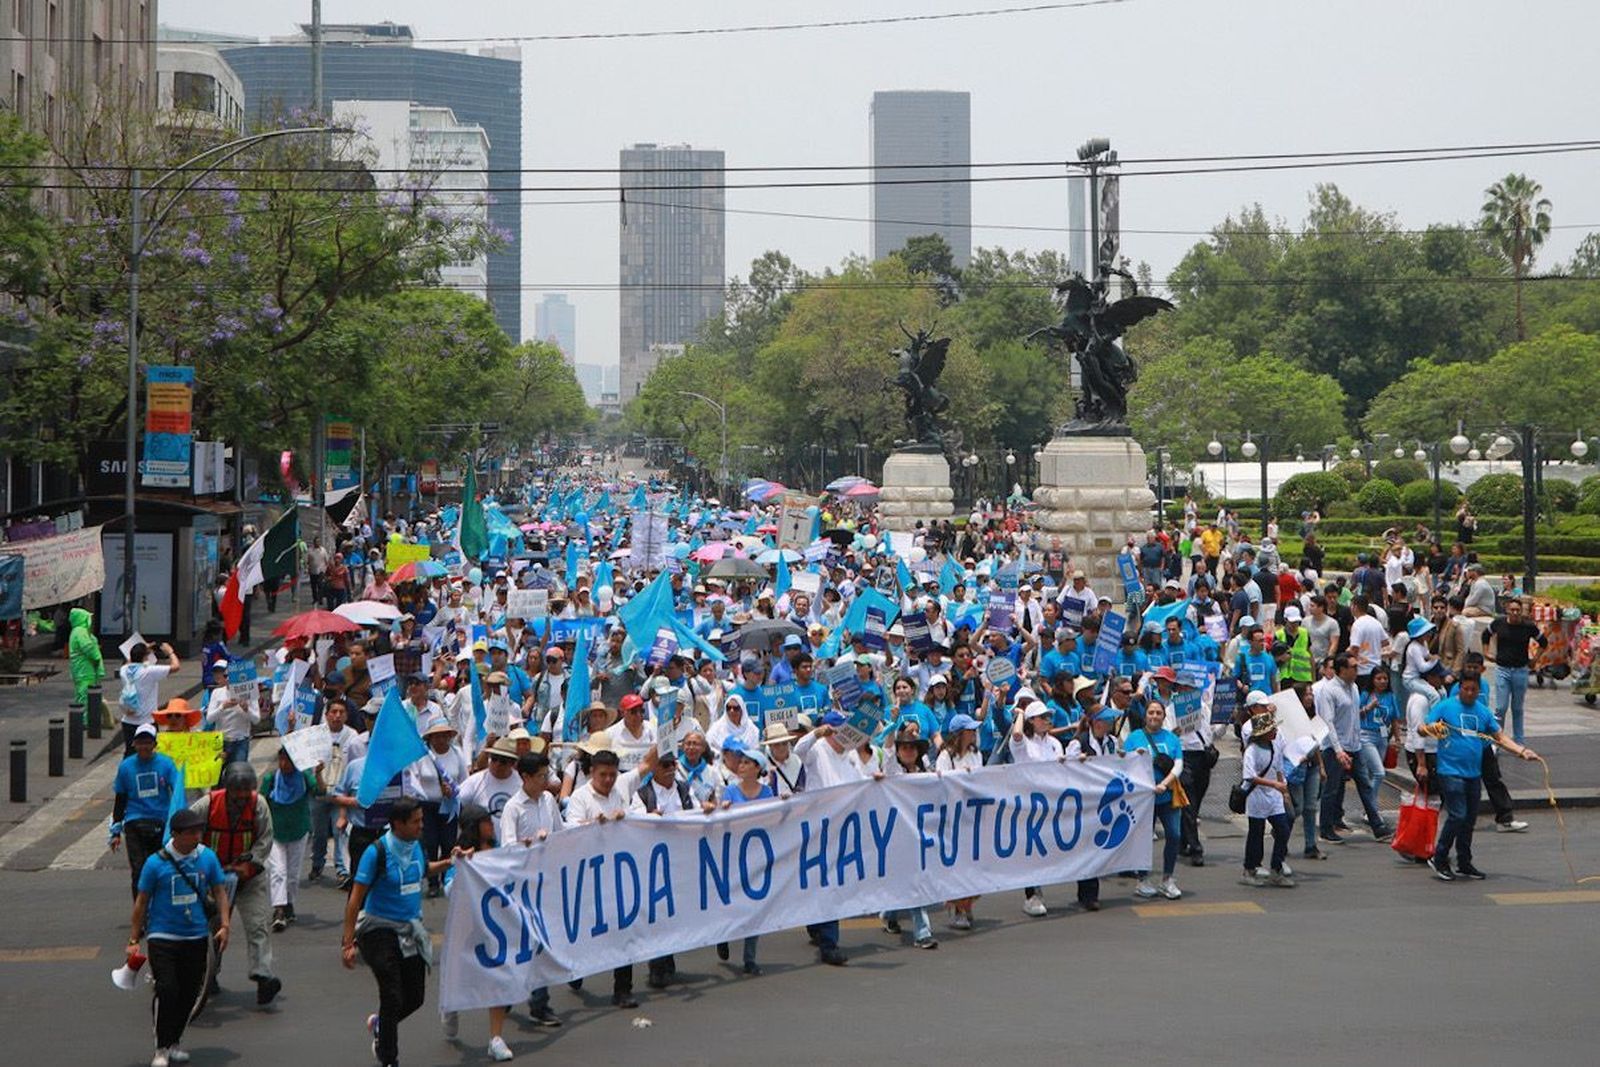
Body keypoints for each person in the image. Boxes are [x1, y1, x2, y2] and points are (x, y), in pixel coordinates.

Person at [341, 796, 455, 1067]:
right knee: (391, 994)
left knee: (414, 997)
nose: (421, 826)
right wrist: (348, 943)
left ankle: (381, 1025)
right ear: (397, 824)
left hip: (410, 930)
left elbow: (424, 870)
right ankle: (388, 1057)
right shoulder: (376, 852)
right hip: (378, 931)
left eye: (421, 820)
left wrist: (451, 862)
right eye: (415, 822)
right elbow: (355, 900)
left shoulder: (416, 846)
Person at [127, 807, 233, 1067]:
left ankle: (174, 1041)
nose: (197, 836)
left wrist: (225, 924)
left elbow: (220, 891)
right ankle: (161, 1047)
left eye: (199, 831)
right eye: (191, 832)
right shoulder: (155, 863)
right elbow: (141, 902)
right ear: (175, 834)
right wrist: (133, 940)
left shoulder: (207, 858)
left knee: (189, 993)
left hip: (195, 936)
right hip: (162, 935)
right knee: (167, 989)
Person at [1420, 673, 1540, 881]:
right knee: (1458, 815)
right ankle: (1439, 857)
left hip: (1473, 773)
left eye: (1473, 690)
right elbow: (1422, 729)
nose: (1469, 693)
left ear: (1479, 691)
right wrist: (1430, 729)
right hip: (1450, 771)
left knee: (1469, 819)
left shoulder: (1483, 712)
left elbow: (1500, 737)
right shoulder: (1445, 707)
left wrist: (1521, 751)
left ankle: (1464, 862)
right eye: (1465, 689)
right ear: (1459, 688)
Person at [189, 762, 280, 1005]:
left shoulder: (259, 805)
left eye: (246, 790)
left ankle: (263, 976)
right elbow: (186, 830)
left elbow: (265, 840)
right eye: (237, 791)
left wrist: (250, 865)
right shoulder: (207, 805)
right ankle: (209, 974)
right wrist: (203, 865)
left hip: (249, 875)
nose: (242, 796)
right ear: (227, 788)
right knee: (214, 927)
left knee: (258, 924)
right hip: (214, 878)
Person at [440, 804, 521, 1060]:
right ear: (475, 826)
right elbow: (449, 890)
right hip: (466, 928)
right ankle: (451, 1006)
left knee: (498, 978)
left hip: (494, 928)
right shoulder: (460, 855)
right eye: (486, 821)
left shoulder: (496, 850)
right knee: (459, 975)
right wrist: (464, 866)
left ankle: (495, 1038)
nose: (491, 825)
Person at [706, 747, 778, 973]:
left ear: (757, 768)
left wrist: (784, 802)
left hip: (757, 853)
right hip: (734, 854)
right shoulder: (730, 791)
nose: (741, 766)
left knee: (755, 906)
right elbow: (721, 822)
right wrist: (724, 809)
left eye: (747, 763)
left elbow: (774, 818)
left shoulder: (767, 792)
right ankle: (724, 935)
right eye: (741, 762)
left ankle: (750, 959)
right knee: (732, 900)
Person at [110, 723, 183, 898]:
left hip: (160, 822)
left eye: (147, 743)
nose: (144, 747)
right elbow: (121, 798)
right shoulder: (126, 767)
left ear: (154, 744)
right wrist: (115, 831)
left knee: (160, 867)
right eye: (140, 742)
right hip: (134, 822)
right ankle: (140, 907)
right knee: (138, 870)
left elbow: (177, 792)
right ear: (134, 744)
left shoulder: (166, 764)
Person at [1124, 700, 1185, 900]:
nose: (1154, 716)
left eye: (1158, 713)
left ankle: (1167, 878)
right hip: (1143, 800)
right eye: (1151, 712)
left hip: (1167, 797)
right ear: (1145, 715)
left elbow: (1178, 765)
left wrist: (1164, 784)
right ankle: (1142, 879)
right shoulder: (1134, 738)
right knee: (1143, 839)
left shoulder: (1172, 738)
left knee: (1174, 835)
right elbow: (1124, 764)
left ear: (1163, 716)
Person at [1009, 699, 1064, 915]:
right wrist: (1021, 714)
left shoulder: (1055, 743)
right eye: (1042, 717)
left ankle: (1039, 888)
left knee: (1046, 849)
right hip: (1028, 803)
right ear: (1031, 720)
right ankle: (1031, 895)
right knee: (1031, 850)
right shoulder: (1024, 743)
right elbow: (1016, 735)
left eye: (1048, 717)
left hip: (1051, 803)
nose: (1047, 720)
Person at [263, 747, 324, 932]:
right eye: (281, 760)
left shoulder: (305, 777)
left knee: (292, 873)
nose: (283, 765)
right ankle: (279, 910)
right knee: (278, 871)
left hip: (298, 831)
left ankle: (288, 904)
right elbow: (260, 802)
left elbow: (320, 792)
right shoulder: (270, 779)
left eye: (288, 761)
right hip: (276, 833)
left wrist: (319, 774)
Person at [1064, 706, 1119, 910]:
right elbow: (1065, 769)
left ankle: (1091, 893)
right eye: (1107, 720)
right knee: (1086, 847)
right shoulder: (1078, 743)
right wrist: (1077, 763)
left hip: (1105, 801)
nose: (1111, 724)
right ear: (1097, 723)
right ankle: (1087, 893)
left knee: (1097, 848)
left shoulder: (1112, 742)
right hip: (1084, 802)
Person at [1239, 709, 1294, 888]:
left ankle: (1276, 868)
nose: (1275, 732)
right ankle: (1249, 868)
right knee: (1256, 833)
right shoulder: (1252, 751)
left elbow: (1279, 769)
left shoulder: (1274, 747)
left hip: (1274, 797)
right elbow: (1250, 776)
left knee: (1283, 829)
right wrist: (1274, 785)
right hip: (1257, 797)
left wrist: (1284, 791)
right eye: (1272, 729)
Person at [1485, 597, 1547, 745]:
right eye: (1512, 610)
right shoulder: (1499, 623)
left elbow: (1543, 642)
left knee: (1517, 708)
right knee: (1500, 707)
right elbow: (1485, 635)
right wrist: (1486, 652)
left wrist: (1535, 659)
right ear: (1507, 610)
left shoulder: (1528, 626)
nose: (1515, 613)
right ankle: (1498, 739)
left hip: (1520, 670)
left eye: (1518, 610)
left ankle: (1519, 740)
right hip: (1502, 669)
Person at [119, 641, 182, 755]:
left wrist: (143, 650)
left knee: (130, 753)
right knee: (149, 754)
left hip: (128, 721)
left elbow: (130, 661)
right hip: (146, 721)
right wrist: (170, 652)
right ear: (145, 657)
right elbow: (176, 667)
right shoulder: (149, 671)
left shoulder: (124, 670)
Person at [68, 605, 104, 707]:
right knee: (86, 697)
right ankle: (85, 716)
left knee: (81, 695)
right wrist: (97, 657)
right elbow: (88, 648)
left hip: (80, 669)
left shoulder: (76, 631)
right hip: (85, 669)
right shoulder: (81, 631)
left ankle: (83, 715)